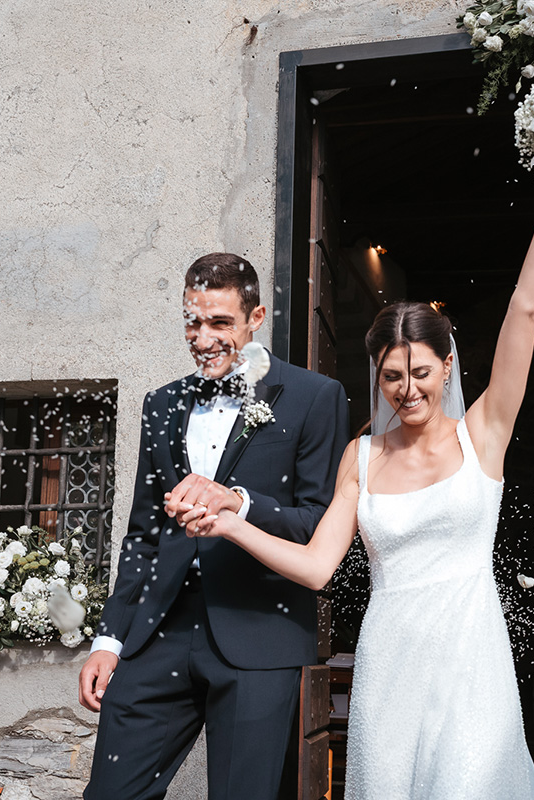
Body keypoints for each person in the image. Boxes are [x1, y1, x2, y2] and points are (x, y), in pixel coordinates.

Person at [183, 139, 534, 798]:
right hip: (390, 667)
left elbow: (525, 309)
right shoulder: (363, 457)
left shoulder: (484, 435)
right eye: (393, 376)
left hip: (472, 665)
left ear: (447, 367)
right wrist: (232, 524)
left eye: (421, 373)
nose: (408, 390)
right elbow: (316, 566)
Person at [79, 252, 350, 800]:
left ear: (256, 318)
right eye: (193, 323)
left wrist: (241, 504)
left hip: (260, 631)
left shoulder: (314, 397)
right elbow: (143, 533)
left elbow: (317, 525)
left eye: (220, 323)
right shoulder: (160, 404)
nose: (203, 339)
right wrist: (109, 639)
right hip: (158, 632)